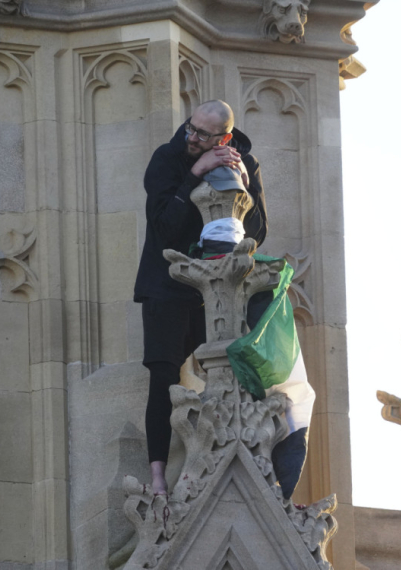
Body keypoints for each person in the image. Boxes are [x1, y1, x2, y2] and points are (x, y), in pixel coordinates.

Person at [134, 100, 268, 495]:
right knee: (162, 376)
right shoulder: (168, 157)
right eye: (190, 128)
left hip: (221, 286)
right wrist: (195, 172)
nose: (191, 137)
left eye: (203, 135)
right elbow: (164, 227)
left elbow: (257, 232)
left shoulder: (245, 159)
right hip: (168, 283)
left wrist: (244, 183)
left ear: (224, 137)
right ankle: (157, 476)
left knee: (239, 367)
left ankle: (243, 464)